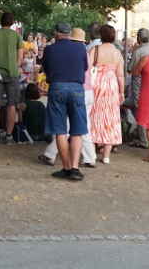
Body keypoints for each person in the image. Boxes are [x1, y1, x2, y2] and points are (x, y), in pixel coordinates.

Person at [41, 21, 89, 181]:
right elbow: (84, 68)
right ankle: (75, 168)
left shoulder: (49, 49)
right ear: (70, 33)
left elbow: (46, 68)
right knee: (77, 130)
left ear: (56, 33)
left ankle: (66, 167)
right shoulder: (81, 48)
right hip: (77, 88)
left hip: (57, 87)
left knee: (60, 130)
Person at [0, 13, 25, 144]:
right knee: (12, 104)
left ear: (0, 21)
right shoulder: (17, 35)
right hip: (13, 73)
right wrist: (15, 66)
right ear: (13, 22)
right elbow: (20, 59)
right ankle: (8, 136)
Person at [89, 25, 124, 164]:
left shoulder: (95, 49)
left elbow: (87, 68)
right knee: (110, 118)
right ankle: (106, 156)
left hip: (96, 83)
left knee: (93, 117)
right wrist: (121, 91)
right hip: (111, 84)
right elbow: (120, 75)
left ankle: (91, 153)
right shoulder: (117, 53)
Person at [125, 28, 149, 150]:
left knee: (140, 112)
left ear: (138, 39)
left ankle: (144, 140)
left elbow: (130, 70)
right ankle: (148, 137)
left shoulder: (139, 52)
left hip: (139, 87)